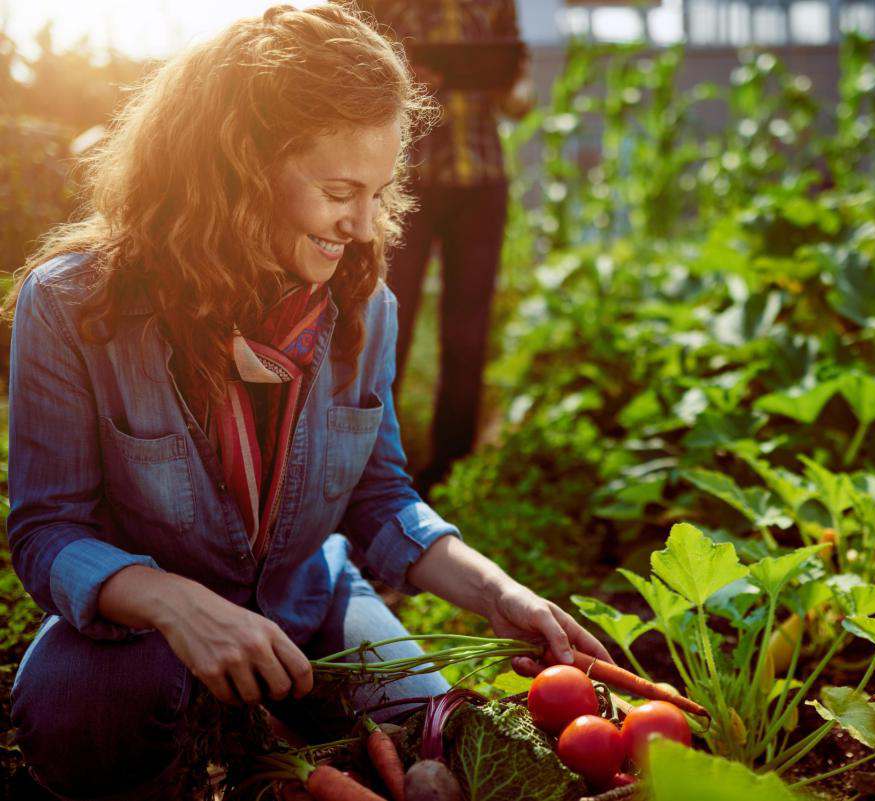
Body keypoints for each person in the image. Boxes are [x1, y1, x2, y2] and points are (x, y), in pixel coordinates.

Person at [3, 6, 606, 800]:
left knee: (443, 737)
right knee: (78, 716)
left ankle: (269, 750)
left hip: (307, 599)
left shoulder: (365, 307)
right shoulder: (76, 305)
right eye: (338, 191)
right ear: (238, 170)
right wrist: (173, 601)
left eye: (378, 192)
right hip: (141, 628)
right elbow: (49, 532)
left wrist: (498, 592)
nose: (363, 227)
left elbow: (381, 496)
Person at [365, 0, 534, 494]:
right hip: (401, 182)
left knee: (468, 331)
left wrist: (507, 88)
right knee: (386, 322)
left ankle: (450, 467)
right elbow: (344, 67)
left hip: (481, 180)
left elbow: (519, 92)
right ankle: (372, 465)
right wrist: (404, 80)